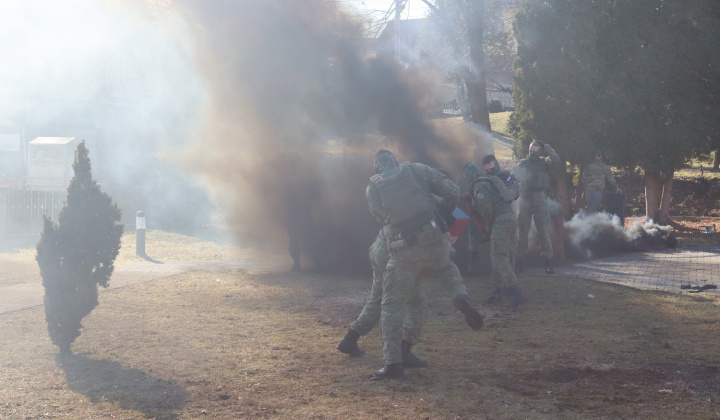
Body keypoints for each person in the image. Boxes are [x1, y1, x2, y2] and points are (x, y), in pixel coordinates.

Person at [364, 150, 483, 380]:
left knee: (392, 305)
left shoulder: (373, 188)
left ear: (378, 167)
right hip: (436, 241)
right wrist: (443, 214)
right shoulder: (417, 170)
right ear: (396, 162)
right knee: (448, 266)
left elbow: (381, 219)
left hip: (404, 250)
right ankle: (460, 295)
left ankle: (393, 365)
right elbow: (454, 193)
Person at [464, 161, 527, 309]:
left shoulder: (479, 185)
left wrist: (488, 227)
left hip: (500, 222)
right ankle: (498, 290)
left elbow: (486, 210)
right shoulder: (492, 181)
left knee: (499, 258)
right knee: (507, 256)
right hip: (511, 219)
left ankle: (516, 292)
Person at [512, 140, 559, 274]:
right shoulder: (523, 163)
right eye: (531, 148)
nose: (533, 151)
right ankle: (519, 262)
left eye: (536, 148)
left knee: (543, 230)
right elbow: (512, 177)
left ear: (540, 149)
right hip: (525, 198)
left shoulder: (544, 162)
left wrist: (547, 146)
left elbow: (556, 160)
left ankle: (548, 262)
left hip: (539, 197)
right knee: (523, 232)